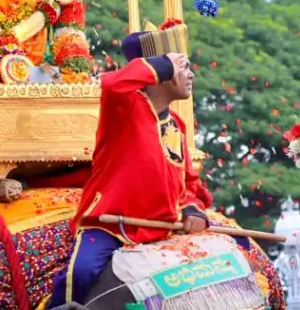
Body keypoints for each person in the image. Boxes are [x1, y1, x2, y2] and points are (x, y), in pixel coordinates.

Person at [49, 23, 210, 307]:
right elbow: (112, 83)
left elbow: (186, 185)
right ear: (161, 74)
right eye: (184, 66)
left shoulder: (177, 125)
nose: (191, 74)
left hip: (163, 229)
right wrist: (162, 64)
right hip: (109, 225)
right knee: (82, 272)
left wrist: (193, 209)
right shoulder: (125, 106)